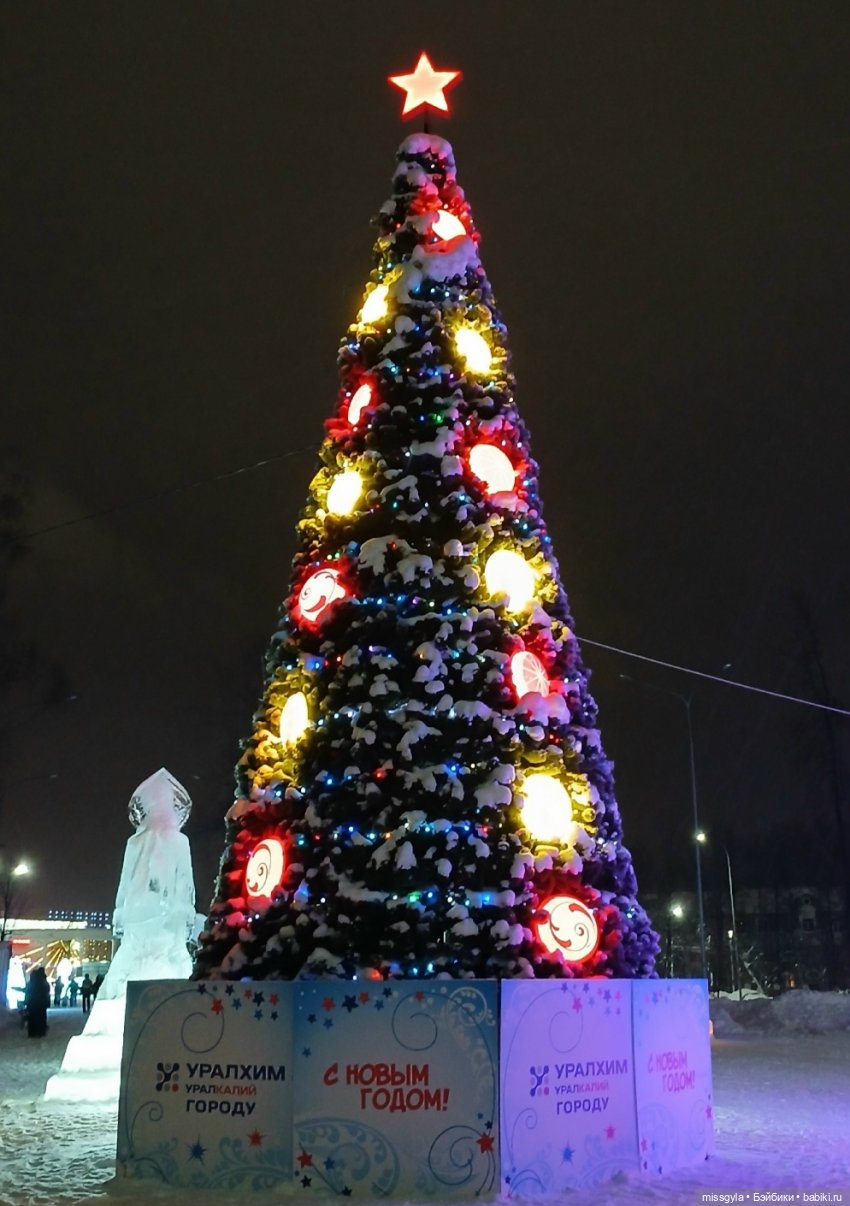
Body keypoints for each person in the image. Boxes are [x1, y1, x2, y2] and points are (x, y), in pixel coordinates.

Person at [24, 967, 51, 1038]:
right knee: (41, 1017)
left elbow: (27, 990)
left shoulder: (32, 982)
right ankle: (41, 1031)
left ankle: (32, 1032)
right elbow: (47, 990)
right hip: (41, 1003)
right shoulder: (43, 981)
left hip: (32, 1002)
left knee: (32, 1017)